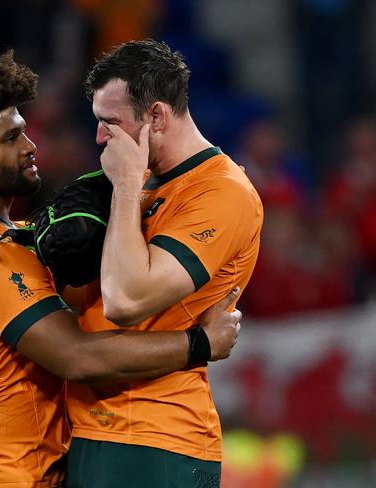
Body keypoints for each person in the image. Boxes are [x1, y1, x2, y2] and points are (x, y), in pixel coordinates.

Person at [0, 47, 242, 487]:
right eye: (10, 138)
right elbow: (78, 356)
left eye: (24, 132)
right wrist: (200, 344)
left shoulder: (19, 234)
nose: (29, 146)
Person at [66, 40, 264, 487]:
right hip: (96, 429)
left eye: (110, 123)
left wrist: (125, 184)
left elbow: (125, 299)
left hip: (156, 439)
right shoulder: (143, 186)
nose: (100, 138)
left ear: (156, 116)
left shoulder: (222, 192)